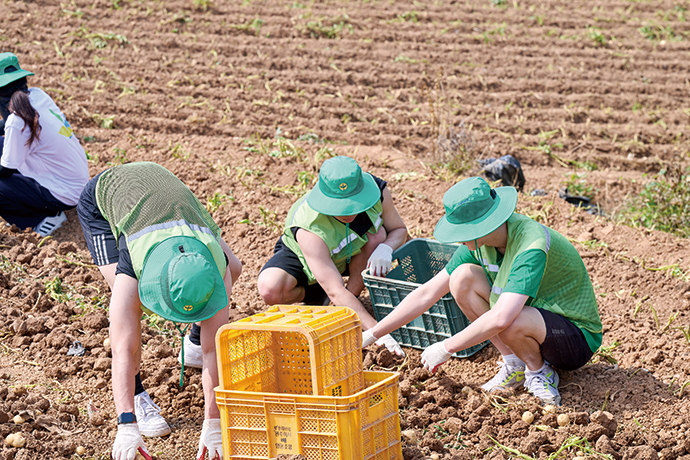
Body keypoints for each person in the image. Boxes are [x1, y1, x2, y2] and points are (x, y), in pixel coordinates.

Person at [362, 177, 602, 405]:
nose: (458, 240)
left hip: (573, 339)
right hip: (535, 320)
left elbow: (502, 317)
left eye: (462, 232)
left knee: (511, 318)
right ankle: (515, 365)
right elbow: (427, 292)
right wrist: (374, 333)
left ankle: (539, 372)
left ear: (480, 227)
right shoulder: (482, 243)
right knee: (462, 278)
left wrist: (446, 347)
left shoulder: (530, 244)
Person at [77, 162, 242, 460]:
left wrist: (214, 422)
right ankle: (138, 397)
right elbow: (123, 348)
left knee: (237, 265)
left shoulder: (219, 267)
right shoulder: (134, 262)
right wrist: (126, 424)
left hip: (171, 199)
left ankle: (192, 342)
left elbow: (214, 351)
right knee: (128, 310)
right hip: (109, 195)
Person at [257, 155, 408, 356]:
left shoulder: (377, 192)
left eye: (353, 203)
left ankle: (344, 305)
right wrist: (377, 332)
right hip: (313, 259)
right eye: (340, 206)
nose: (347, 213)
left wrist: (386, 247)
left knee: (377, 236)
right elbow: (336, 289)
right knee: (270, 288)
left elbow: (399, 230)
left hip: (354, 250)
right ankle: (317, 294)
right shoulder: (308, 227)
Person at [0, 52, 88, 236]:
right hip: (76, 180)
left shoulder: (17, 122)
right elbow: (10, 127)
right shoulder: (38, 95)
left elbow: (5, 171)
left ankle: (42, 219)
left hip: (64, 192)